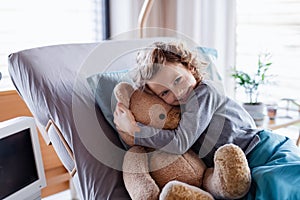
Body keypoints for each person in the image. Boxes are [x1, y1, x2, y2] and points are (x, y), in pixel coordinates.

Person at [113, 41, 300, 200]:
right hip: (240, 167)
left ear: (190, 68)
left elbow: (180, 143)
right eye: (164, 92)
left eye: (177, 80)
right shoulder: (178, 110)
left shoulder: (204, 92)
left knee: (282, 183)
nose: (176, 92)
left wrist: (135, 131)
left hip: (262, 150)